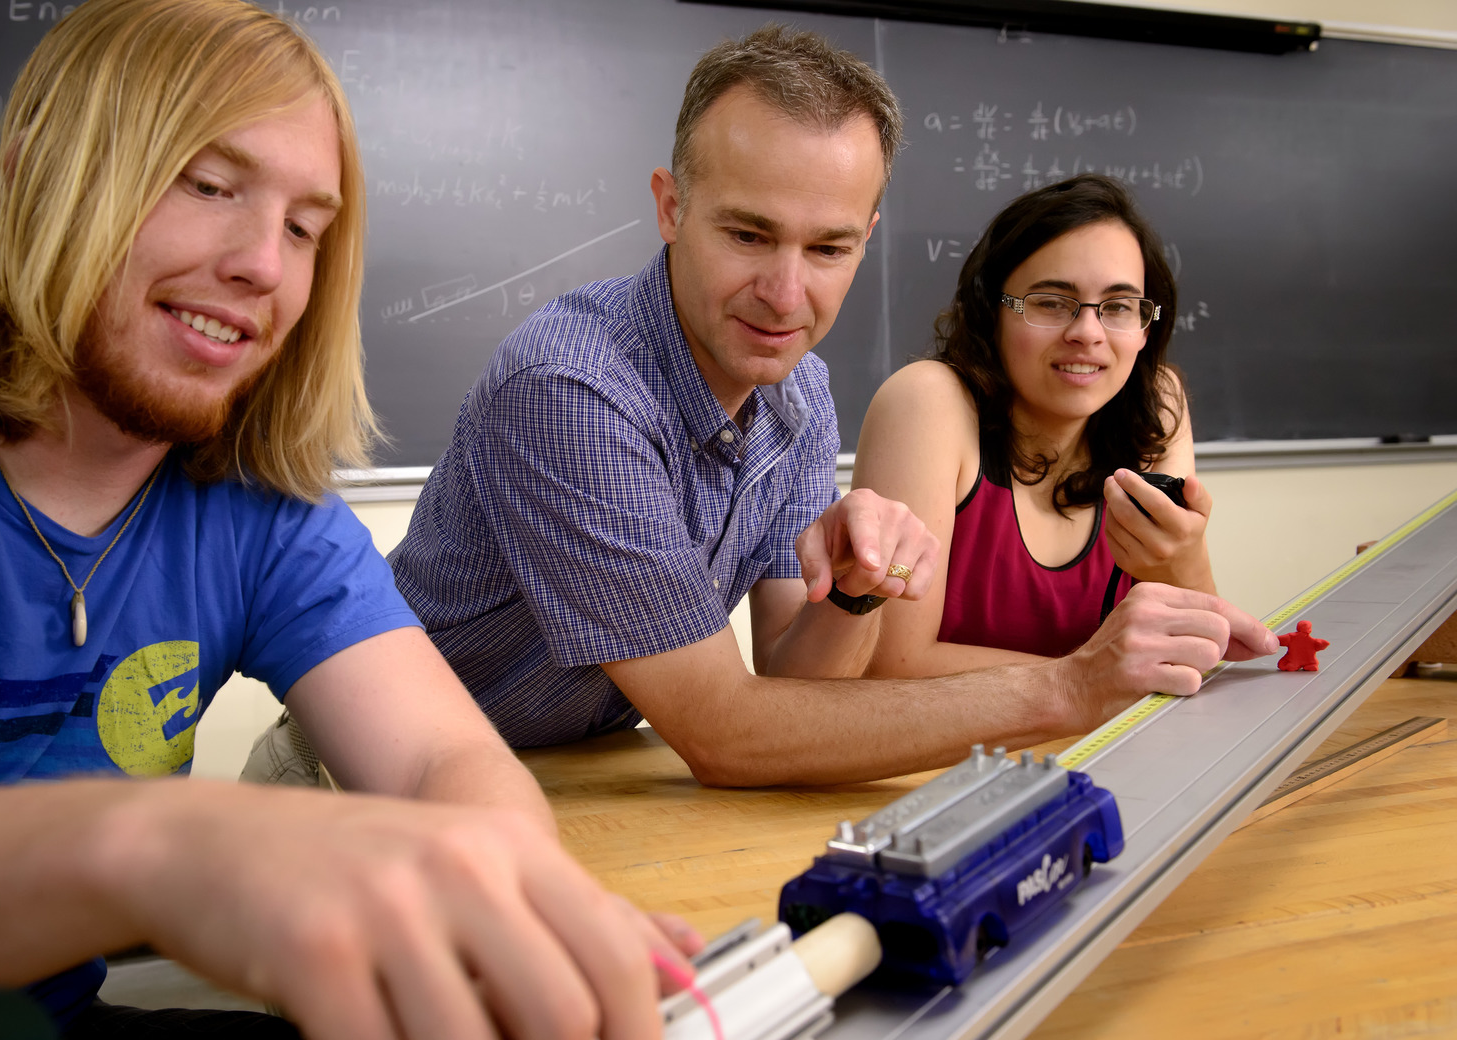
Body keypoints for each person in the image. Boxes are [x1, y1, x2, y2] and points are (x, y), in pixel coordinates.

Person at [0, 1, 697, 1038]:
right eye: (209, 186)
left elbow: (442, 759)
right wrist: (153, 843)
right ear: (37, 178)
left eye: (305, 228)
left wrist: (502, 894)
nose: (263, 264)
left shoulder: (262, 511)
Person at [361, 27, 1279, 790]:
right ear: (670, 206)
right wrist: (1071, 690)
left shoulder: (796, 390)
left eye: (830, 247)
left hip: (580, 772)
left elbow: (797, 675)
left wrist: (851, 591)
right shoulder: (573, 391)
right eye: (748, 233)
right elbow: (728, 734)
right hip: (379, 785)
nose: (785, 293)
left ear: (868, 236)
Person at [852, 174, 1219, 679]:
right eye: (1051, 302)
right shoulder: (928, 402)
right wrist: (1094, 675)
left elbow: (1188, 650)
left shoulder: (1157, 404)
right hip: (945, 755)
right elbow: (889, 662)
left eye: (1117, 307)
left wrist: (1189, 558)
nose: (1087, 333)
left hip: (1100, 751)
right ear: (990, 311)